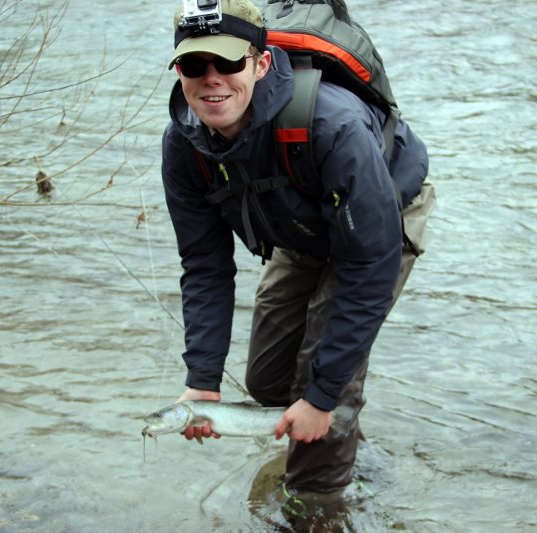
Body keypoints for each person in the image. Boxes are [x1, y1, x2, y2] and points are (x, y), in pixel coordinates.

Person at [161, 0, 435, 499]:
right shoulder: (184, 144)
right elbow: (205, 266)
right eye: (195, 65)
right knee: (270, 383)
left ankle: (318, 508)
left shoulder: (334, 125)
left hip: (378, 221)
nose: (212, 79)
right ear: (178, 70)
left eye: (227, 62)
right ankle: (345, 442)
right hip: (301, 219)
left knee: (320, 381)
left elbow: (369, 264)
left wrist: (324, 395)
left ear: (261, 64)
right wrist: (202, 379)